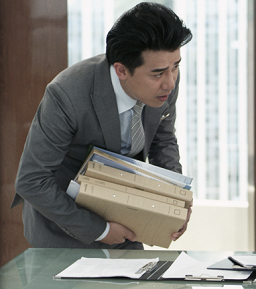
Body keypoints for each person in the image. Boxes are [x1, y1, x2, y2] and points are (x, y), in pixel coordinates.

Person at [12, 2, 193, 249]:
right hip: (65, 229)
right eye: (158, 73)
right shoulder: (67, 94)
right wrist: (101, 230)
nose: (170, 82)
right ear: (121, 70)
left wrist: (177, 200)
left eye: (176, 66)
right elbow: (32, 180)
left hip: (127, 223)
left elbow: (162, 140)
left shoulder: (165, 80)